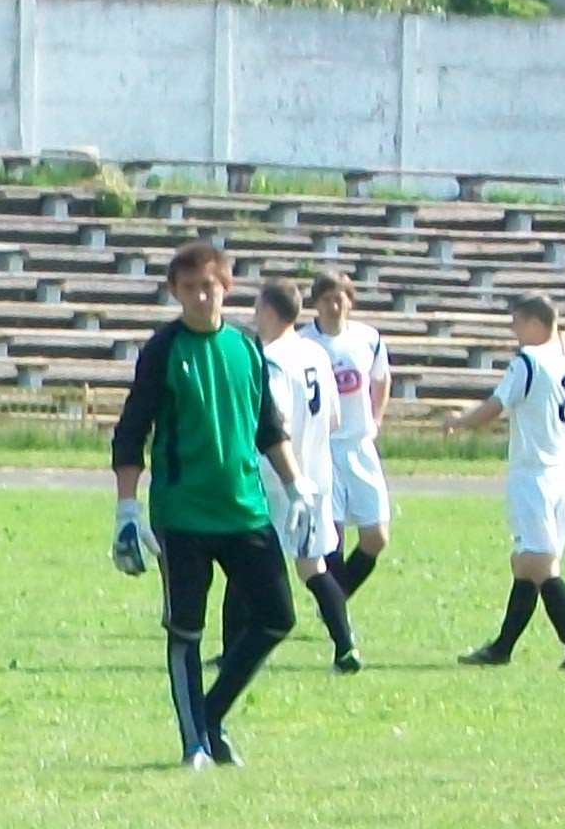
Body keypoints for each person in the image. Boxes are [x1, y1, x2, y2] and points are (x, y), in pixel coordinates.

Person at [108, 243, 303, 768]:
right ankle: (195, 742)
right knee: (186, 630)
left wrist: (297, 485)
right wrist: (127, 510)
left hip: (245, 508)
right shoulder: (163, 350)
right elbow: (131, 433)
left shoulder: (245, 348)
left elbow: (268, 428)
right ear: (175, 292)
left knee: (277, 616)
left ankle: (210, 714)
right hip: (184, 512)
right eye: (189, 286)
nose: (200, 295)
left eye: (209, 285)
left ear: (227, 288)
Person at [446, 294, 565, 671]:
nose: (513, 332)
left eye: (517, 323)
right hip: (562, 474)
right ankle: (502, 648)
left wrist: (461, 421)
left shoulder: (527, 361)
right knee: (525, 564)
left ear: (534, 323)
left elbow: (497, 405)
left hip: (533, 475)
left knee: (541, 567)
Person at [250, 281, 360, 671]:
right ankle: (346, 645)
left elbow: (275, 422)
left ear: (268, 311)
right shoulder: (315, 352)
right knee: (312, 565)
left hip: (280, 475)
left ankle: (236, 650)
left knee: (246, 557)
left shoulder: (271, 358)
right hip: (318, 473)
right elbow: (333, 418)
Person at [304, 272, 394, 602]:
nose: (334, 304)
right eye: (326, 298)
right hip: (324, 449)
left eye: (339, 297)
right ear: (315, 304)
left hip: (359, 446)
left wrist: (376, 418)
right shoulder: (304, 343)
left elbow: (381, 379)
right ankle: (337, 615)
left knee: (376, 536)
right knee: (333, 535)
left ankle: (335, 598)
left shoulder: (368, 338)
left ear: (350, 301)